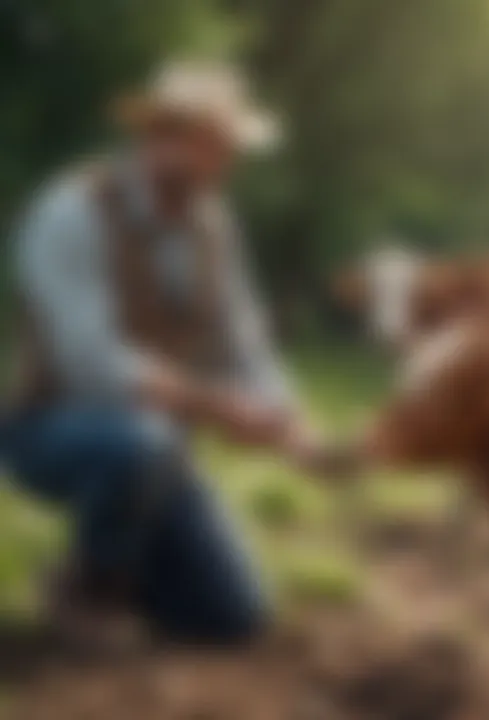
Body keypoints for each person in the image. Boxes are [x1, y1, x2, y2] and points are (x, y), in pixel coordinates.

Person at [0, 61, 328, 644]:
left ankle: (129, 568)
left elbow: (243, 340)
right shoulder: (70, 212)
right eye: (205, 143)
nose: (221, 162)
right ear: (155, 138)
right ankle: (90, 587)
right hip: (47, 430)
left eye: (226, 146)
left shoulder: (215, 225)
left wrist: (287, 416)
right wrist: (221, 409)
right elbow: (94, 367)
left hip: (158, 450)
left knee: (231, 616)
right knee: (140, 441)